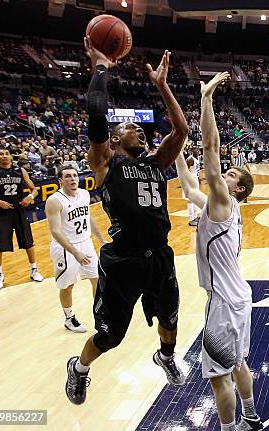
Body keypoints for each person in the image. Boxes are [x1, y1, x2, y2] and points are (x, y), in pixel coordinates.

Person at [65, 39, 189, 405]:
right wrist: (100, 68)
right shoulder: (106, 163)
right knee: (109, 337)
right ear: (116, 139)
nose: (142, 132)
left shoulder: (155, 163)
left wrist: (162, 86)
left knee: (170, 318)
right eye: (134, 128)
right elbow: (95, 114)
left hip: (159, 255)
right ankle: (80, 368)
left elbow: (181, 131)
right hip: (122, 261)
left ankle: (165, 357)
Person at [175, 72, 260, 431]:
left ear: (238, 190)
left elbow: (211, 148)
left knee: (216, 376)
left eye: (229, 175)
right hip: (238, 296)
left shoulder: (223, 202)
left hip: (224, 301)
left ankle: (229, 428)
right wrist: (178, 149)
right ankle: (251, 417)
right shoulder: (217, 205)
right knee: (238, 362)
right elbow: (187, 184)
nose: (222, 175)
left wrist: (206, 99)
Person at [45, 165, 105, 333]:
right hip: (65, 248)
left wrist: (100, 239)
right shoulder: (55, 201)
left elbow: (88, 217)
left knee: (97, 279)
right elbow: (55, 231)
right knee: (68, 286)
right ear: (60, 181)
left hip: (85, 243)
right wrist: (75, 252)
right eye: (68, 176)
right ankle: (69, 318)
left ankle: (100, 315)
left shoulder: (84, 194)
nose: (72, 179)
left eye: (75, 175)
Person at [0, 147, 44, 289]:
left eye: (6, 154)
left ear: (11, 156)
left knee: (28, 241)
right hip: (1, 213)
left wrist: (30, 197)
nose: (4, 156)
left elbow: (34, 190)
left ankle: (34, 269)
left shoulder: (20, 171)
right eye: (1, 154)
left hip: (19, 211)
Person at [186, 146, 201, 226]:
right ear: (191, 150)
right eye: (195, 149)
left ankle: (195, 217)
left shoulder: (197, 159)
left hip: (195, 179)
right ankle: (191, 219)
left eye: (198, 149)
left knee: (195, 199)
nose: (197, 150)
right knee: (191, 200)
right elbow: (185, 170)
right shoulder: (190, 159)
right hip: (190, 180)